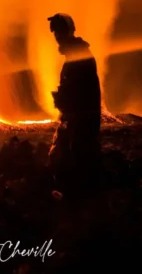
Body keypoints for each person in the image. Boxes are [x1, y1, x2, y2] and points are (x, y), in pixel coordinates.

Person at [46, 13, 102, 191]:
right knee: (67, 157)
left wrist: (63, 99)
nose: (56, 38)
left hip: (80, 119)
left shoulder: (79, 56)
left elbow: (79, 89)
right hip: (76, 117)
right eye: (55, 33)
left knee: (76, 160)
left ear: (67, 32)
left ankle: (78, 201)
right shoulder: (75, 55)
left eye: (58, 33)